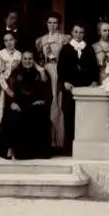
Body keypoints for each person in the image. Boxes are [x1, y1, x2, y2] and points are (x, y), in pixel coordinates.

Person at [1, 51, 53, 160]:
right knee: (11, 116)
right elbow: (10, 91)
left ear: (33, 60)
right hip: (20, 106)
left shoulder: (41, 73)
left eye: (30, 58)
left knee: (41, 116)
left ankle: (38, 152)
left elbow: (48, 91)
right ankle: (13, 148)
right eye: (25, 59)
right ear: (21, 60)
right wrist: (13, 102)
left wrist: (42, 101)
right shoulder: (16, 73)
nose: (27, 61)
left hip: (35, 106)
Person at [57, 22, 99, 156]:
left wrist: (94, 81)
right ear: (71, 33)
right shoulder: (66, 48)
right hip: (71, 87)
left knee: (84, 117)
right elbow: (61, 68)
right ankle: (69, 148)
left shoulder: (89, 48)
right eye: (76, 32)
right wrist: (64, 82)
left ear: (84, 34)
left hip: (85, 86)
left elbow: (94, 66)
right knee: (69, 116)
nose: (78, 35)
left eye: (81, 32)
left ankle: (84, 148)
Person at [35, 11, 71, 154]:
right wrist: (41, 70)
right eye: (50, 22)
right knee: (47, 103)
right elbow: (38, 59)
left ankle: (59, 141)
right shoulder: (40, 40)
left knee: (57, 103)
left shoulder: (64, 38)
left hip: (58, 70)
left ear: (59, 24)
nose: (52, 25)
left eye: (55, 22)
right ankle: (47, 140)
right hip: (46, 72)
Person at [0, 32, 22, 139]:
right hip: (3, 86)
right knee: (1, 111)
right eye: (6, 40)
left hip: (15, 86)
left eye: (11, 39)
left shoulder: (19, 54)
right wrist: (6, 88)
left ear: (15, 40)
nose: (9, 43)